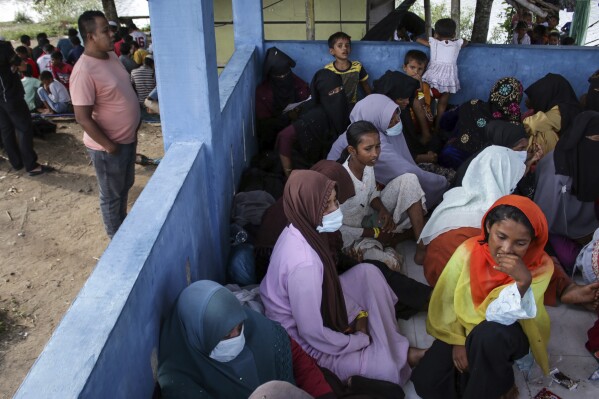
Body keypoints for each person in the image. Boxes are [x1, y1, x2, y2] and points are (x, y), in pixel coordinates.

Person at [260, 170, 425, 386]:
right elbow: (312, 333)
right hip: (299, 339)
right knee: (384, 371)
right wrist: (355, 341)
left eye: (335, 201)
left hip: (310, 303)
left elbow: (326, 285)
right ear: (308, 206)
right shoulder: (304, 264)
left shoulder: (300, 227)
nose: (335, 209)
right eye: (326, 206)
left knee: (369, 274)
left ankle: (394, 347)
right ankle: (395, 354)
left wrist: (358, 313)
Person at [412, 196, 554, 399]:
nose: (507, 249)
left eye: (520, 243)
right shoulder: (469, 250)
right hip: (463, 326)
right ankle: (499, 381)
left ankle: (492, 381)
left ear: (532, 242)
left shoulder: (540, 267)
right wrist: (458, 341)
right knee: (426, 383)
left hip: (507, 333)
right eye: (501, 236)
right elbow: (448, 300)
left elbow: (502, 316)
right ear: (488, 227)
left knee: (488, 337)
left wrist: (523, 283)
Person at [254, 159, 432, 318]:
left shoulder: (306, 208)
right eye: (331, 202)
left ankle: (423, 299)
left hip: (322, 270)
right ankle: (423, 302)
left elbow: (331, 250)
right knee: (370, 285)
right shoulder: (298, 240)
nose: (335, 208)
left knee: (373, 272)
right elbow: (317, 281)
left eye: (336, 202)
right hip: (306, 290)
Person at [157, 280, 334, 399]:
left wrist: (323, 395)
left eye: (239, 327)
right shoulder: (179, 379)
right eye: (225, 335)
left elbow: (299, 360)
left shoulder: (258, 331)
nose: (236, 337)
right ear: (197, 335)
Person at [70, 10, 141, 238]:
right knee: (111, 196)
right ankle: (116, 240)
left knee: (124, 186)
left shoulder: (110, 56)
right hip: (108, 148)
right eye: (106, 30)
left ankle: (121, 227)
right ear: (90, 36)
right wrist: (110, 146)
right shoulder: (83, 71)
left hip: (126, 139)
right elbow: (82, 117)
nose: (112, 34)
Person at [419, 146, 527, 286]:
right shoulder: (495, 221)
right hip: (459, 286)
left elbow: (422, 253)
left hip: (432, 272)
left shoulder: (456, 195)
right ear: (504, 177)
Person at [327, 94, 448, 208]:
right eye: (390, 120)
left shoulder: (364, 129)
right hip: (346, 199)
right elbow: (406, 171)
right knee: (412, 183)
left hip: (367, 188)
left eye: (397, 114)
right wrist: (441, 183)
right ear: (375, 119)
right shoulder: (372, 143)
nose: (397, 121)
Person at [338, 120, 427, 266]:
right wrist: (375, 233)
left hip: (370, 217)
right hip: (354, 236)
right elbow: (339, 229)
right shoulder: (342, 182)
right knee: (391, 264)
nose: (375, 154)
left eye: (378, 147)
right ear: (352, 150)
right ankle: (392, 241)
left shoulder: (367, 164)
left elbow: (372, 192)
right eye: (368, 149)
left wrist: (382, 209)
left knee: (409, 180)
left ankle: (421, 245)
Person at [534, 111, 599, 270]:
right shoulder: (556, 169)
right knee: (569, 260)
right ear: (578, 137)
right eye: (596, 140)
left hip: (591, 225)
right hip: (556, 229)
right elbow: (545, 218)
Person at [438, 76, 523, 169]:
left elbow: (444, 122)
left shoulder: (472, 104)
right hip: (481, 170)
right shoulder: (513, 125)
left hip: (449, 158)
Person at [277, 68, 349, 175]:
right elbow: (284, 136)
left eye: (340, 89)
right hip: (308, 169)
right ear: (322, 94)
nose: (338, 95)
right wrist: (289, 174)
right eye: (332, 92)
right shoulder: (315, 116)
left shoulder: (345, 108)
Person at [0, 40, 50, 175]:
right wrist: (15, 67)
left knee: (6, 130)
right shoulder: (3, 47)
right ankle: (31, 165)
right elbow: (22, 66)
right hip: (11, 95)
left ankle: (16, 163)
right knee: (24, 128)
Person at [417, 18, 468, 131]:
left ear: (436, 34)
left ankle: (426, 125)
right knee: (442, 106)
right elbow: (465, 41)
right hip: (448, 82)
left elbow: (419, 40)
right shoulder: (456, 44)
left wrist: (425, 39)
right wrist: (456, 40)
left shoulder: (434, 43)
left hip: (431, 81)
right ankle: (438, 127)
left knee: (426, 104)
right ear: (454, 34)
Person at [255, 47, 310, 150]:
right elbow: (264, 123)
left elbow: (308, 103)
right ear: (272, 76)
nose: (283, 78)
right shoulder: (263, 93)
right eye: (279, 76)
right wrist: (287, 118)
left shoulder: (299, 85)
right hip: (274, 136)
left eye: (286, 74)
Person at [523, 73, 581, 156]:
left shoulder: (563, 110)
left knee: (544, 132)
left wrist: (517, 128)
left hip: (563, 159)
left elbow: (534, 124)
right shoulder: (571, 107)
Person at [324, 32, 371, 107]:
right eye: (340, 46)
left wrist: (371, 100)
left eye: (347, 45)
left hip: (352, 105)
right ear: (332, 51)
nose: (345, 48)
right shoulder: (328, 69)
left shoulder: (357, 66)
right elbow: (326, 91)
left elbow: (365, 85)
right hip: (334, 105)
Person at [402, 50, 434, 142]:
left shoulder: (424, 86)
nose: (416, 72)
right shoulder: (400, 83)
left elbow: (422, 104)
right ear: (405, 67)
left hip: (419, 121)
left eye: (420, 69)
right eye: (412, 67)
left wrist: (420, 90)